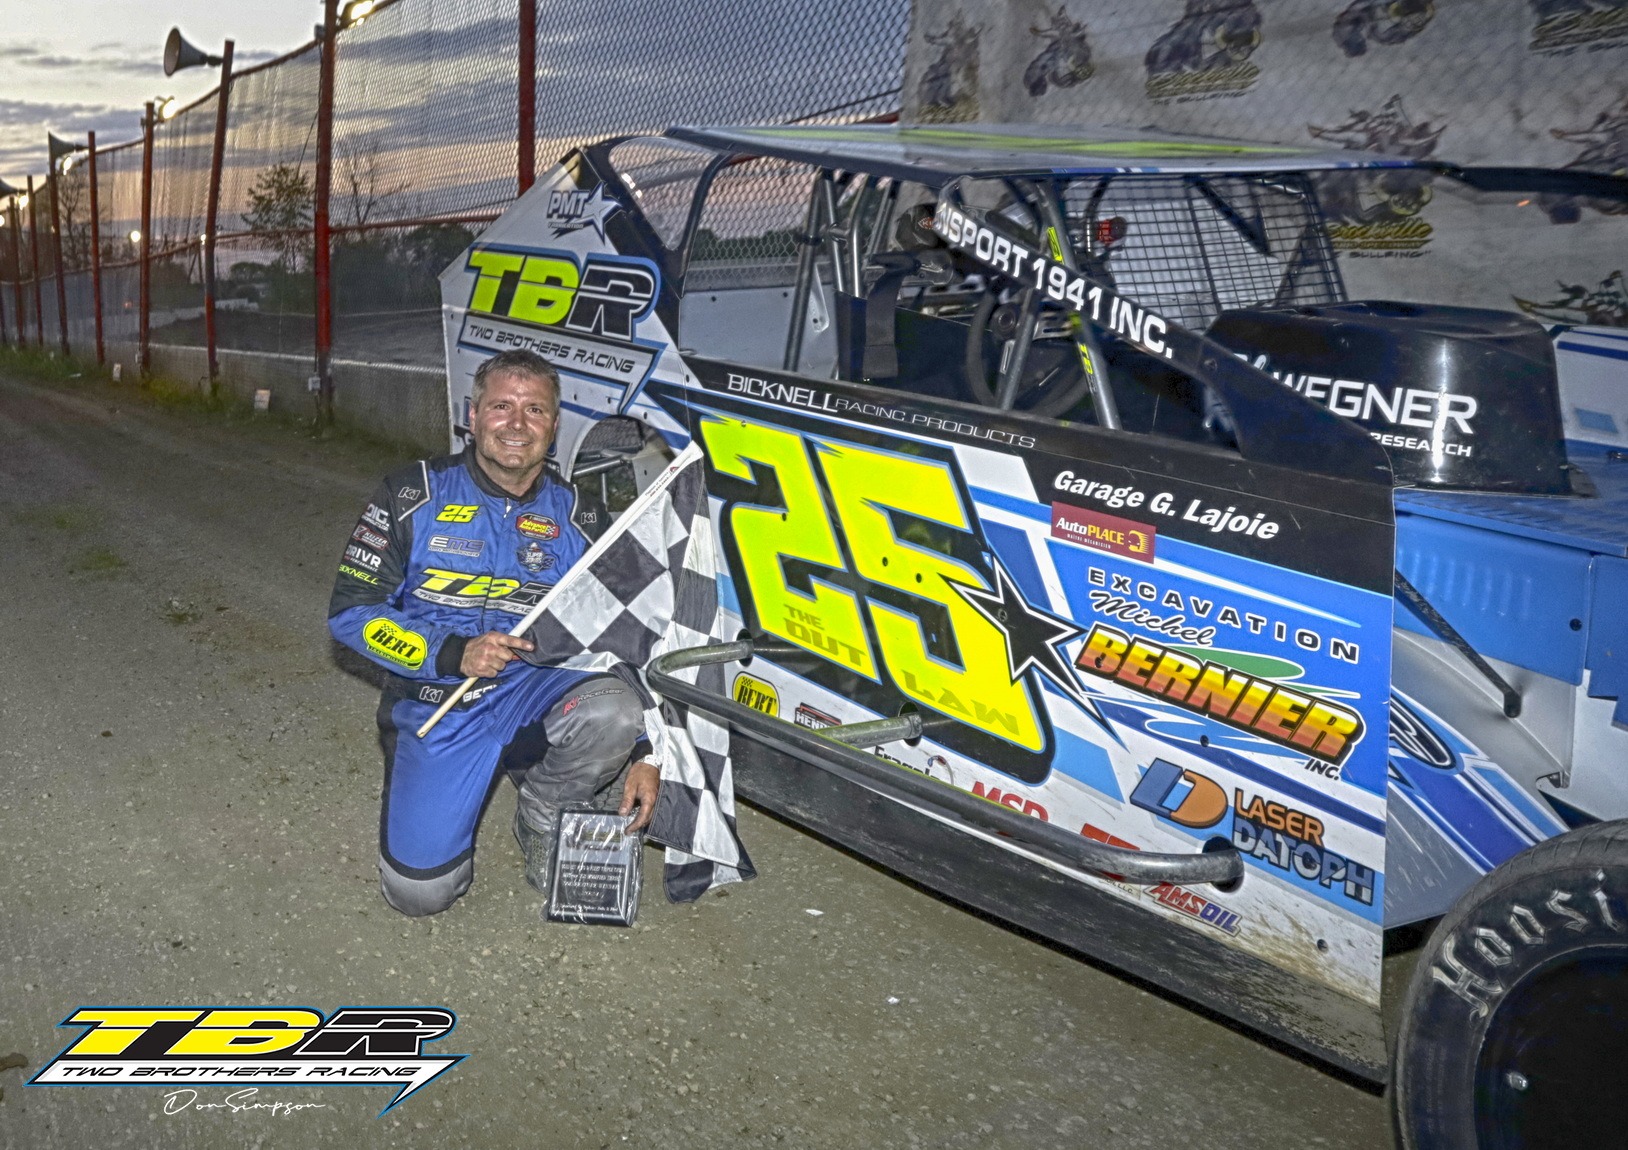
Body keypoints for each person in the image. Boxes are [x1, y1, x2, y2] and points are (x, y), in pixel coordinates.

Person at [328, 349, 659, 916]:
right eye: (501, 406)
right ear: (473, 415)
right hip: (441, 698)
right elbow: (351, 613)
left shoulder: (582, 513)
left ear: (554, 429)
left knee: (616, 711)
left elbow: (626, 633)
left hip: (538, 688)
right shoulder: (412, 494)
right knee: (419, 893)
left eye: (535, 410)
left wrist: (651, 747)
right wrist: (452, 653)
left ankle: (543, 811)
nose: (517, 424)